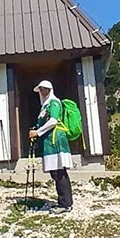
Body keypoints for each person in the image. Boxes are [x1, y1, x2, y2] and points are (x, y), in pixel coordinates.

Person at [29, 79, 73, 213]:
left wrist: (38, 132)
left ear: (50, 90)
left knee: (59, 171)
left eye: (45, 89)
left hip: (56, 140)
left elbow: (53, 121)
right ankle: (64, 202)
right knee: (56, 172)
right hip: (49, 141)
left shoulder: (54, 102)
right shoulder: (45, 105)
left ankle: (65, 204)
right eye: (41, 89)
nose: (42, 92)